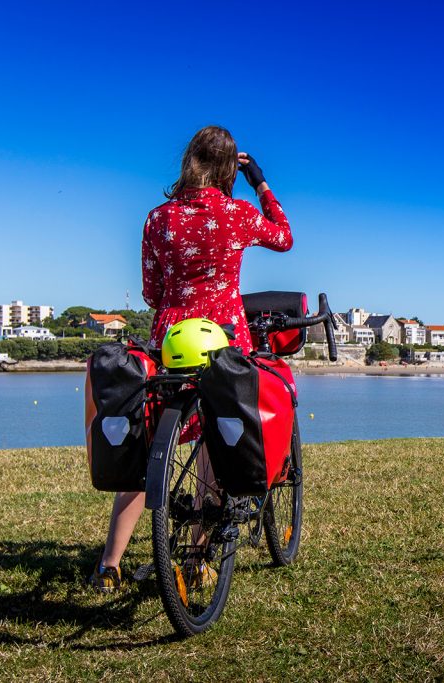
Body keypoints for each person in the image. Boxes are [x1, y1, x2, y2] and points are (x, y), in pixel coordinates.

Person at [90, 125, 293, 592]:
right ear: (227, 170)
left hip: (172, 340)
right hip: (222, 337)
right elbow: (283, 236)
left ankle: (109, 564)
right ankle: (198, 557)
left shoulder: (158, 218)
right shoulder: (238, 213)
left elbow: (151, 291)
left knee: (148, 445)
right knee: (215, 445)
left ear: (188, 161)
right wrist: (259, 181)